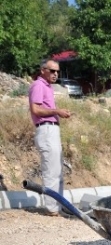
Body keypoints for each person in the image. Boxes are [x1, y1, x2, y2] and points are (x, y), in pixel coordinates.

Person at [29, 59, 72, 216]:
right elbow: (36, 109)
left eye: (57, 71)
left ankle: (57, 206)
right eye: (52, 71)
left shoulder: (46, 87)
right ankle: (52, 208)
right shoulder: (38, 85)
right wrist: (56, 111)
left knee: (58, 170)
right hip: (46, 129)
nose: (55, 74)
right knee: (51, 170)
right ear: (43, 70)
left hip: (51, 129)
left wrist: (58, 112)